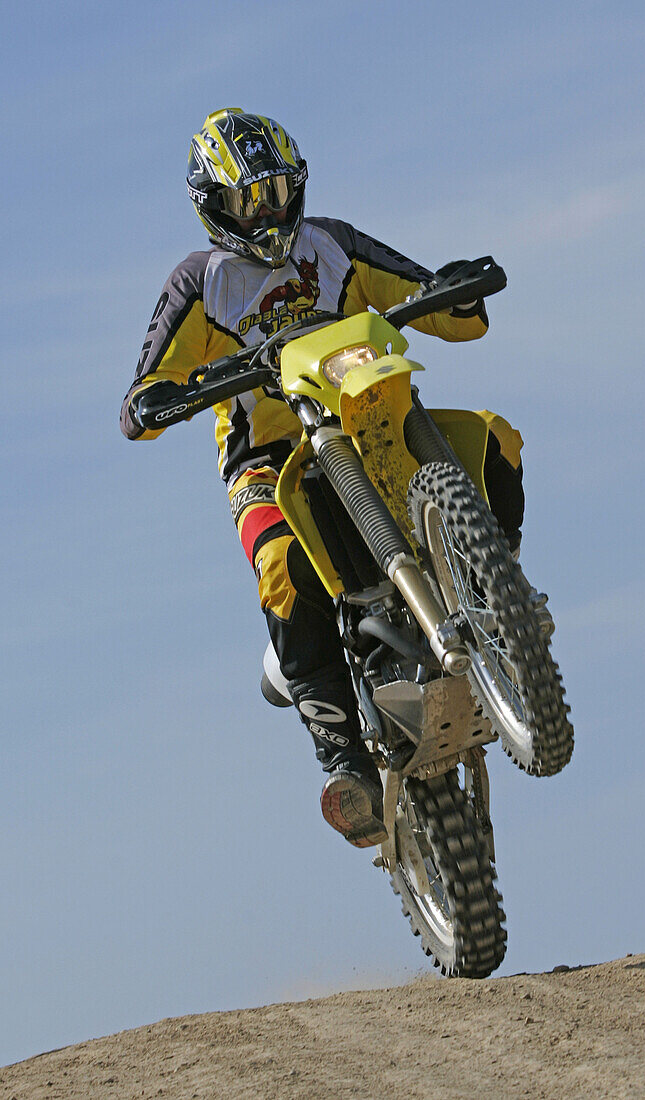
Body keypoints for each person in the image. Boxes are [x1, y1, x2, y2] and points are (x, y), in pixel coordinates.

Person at [120, 108, 525, 848]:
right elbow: (142, 397)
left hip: (369, 422)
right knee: (279, 566)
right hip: (267, 459)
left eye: (276, 191)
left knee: (496, 441)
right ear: (214, 205)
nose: (269, 211)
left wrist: (457, 292)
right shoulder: (200, 281)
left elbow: (425, 295)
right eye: (251, 200)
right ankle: (343, 761)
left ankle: (498, 601)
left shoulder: (331, 243)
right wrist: (155, 398)